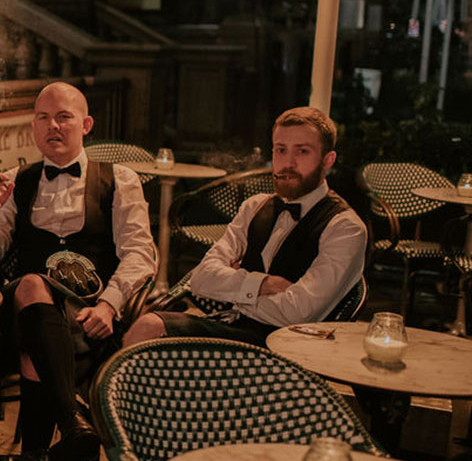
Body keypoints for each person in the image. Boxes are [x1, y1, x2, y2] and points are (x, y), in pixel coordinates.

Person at [0, 81, 156, 461]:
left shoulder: (120, 179)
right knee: (32, 286)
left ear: (86, 125)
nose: (52, 125)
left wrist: (111, 303)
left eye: (64, 117)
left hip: (92, 317)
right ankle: (72, 425)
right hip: (28, 308)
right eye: (43, 117)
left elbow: (140, 254)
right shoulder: (20, 181)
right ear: (33, 125)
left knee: (37, 353)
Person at [124, 106, 366, 348]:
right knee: (146, 327)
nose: (288, 163)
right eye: (281, 150)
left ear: (327, 161)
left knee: (150, 329)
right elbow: (201, 279)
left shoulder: (345, 228)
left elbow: (299, 313)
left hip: (287, 350)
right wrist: (263, 285)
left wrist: (233, 291)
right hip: (233, 327)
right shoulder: (254, 206)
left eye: (302, 151)